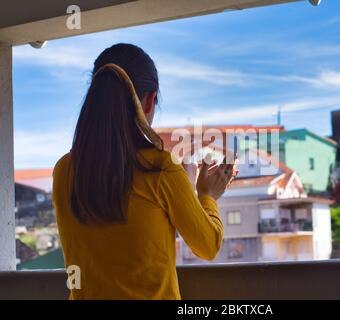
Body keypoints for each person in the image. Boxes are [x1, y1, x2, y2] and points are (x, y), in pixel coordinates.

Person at [52, 43, 235, 299]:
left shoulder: (63, 171)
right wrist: (206, 196)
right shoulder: (160, 169)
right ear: (149, 101)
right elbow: (208, 246)